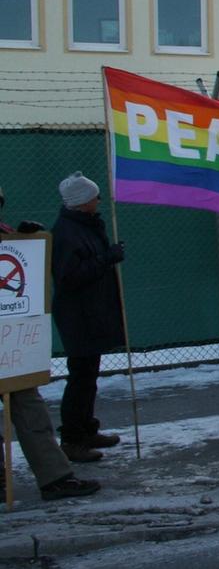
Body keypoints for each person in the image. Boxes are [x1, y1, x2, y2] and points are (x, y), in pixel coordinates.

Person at [0, 188, 100, 500]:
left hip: (9, 345)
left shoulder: (5, 235)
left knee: (30, 408)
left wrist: (25, 239)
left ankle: (55, 477)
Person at [49, 171, 126, 462]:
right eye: (94, 196)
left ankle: (85, 428)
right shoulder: (68, 232)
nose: (99, 200)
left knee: (88, 375)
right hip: (78, 315)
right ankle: (72, 438)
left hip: (90, 311)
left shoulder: (85, 226)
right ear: (82, 202)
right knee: (80, 376)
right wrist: (107, 258)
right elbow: (69, 277)